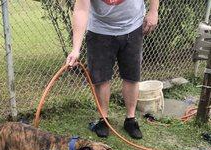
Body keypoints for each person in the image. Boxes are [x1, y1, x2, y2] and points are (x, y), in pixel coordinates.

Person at [66, 0, 159, 139]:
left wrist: (153, 11)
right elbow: (81, 10)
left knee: (132, 76)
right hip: (100, 29)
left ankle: (130, 119)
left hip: (133, 26)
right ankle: (103, 119)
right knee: (100, 78)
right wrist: (75, 48)